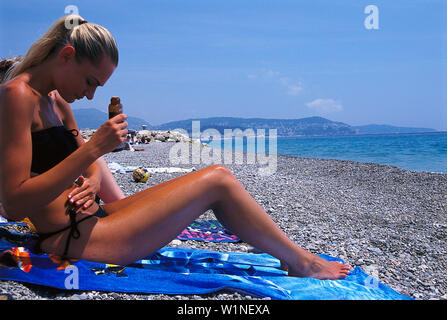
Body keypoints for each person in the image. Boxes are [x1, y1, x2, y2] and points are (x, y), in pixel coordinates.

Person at [0, 15, 351, 280]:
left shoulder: (57, 102)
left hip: (98, 218)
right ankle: (302, 261)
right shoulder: (16, 96)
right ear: (67, 55)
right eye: (90, 82)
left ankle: (296, 257)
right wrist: (93, 150)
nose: (91, 94)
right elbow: (14, 204)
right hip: (72, 237)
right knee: (219, 181)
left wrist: (92, 178)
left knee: (220, 175)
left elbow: (81, 159)